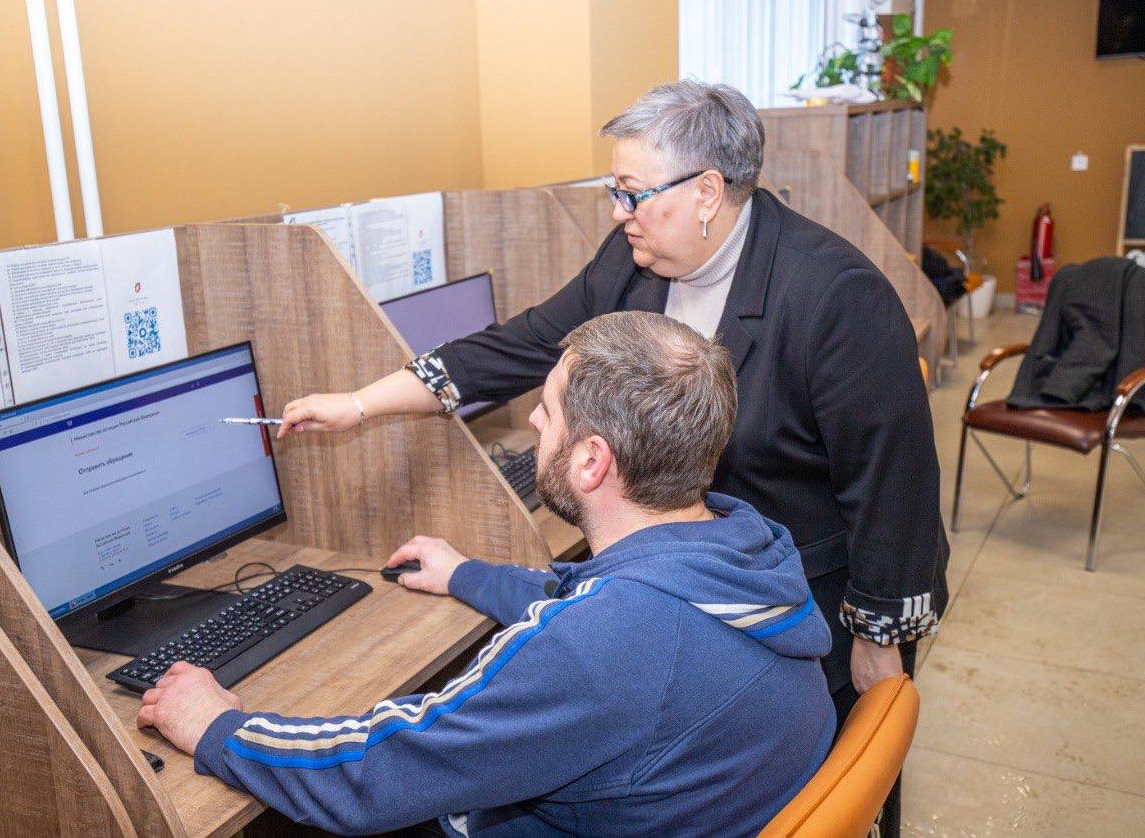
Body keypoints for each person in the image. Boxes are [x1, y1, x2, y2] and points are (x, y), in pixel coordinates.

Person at [279, 80, 949, 834]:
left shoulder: (834, 294)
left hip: (801, 596)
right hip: (689, 574)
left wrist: (879, 641)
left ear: (706, 191)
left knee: (837, 778)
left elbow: (895, 484)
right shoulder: (635, 259)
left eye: (632, 192)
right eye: (615, 192)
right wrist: (361, 403)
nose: (618, 212)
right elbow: (526, 344)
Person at [139, 312, 836, 836]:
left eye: (549, 409)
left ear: (591, 461)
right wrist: (466, 574)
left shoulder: (603, 644)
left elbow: (375, 774)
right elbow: (600, 600)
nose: (532, 419)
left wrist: (219, 727)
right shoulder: (745, 547)